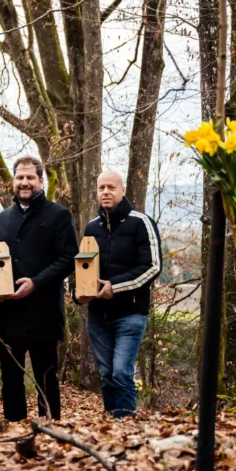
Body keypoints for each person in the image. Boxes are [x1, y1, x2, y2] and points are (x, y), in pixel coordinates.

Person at [0, 156, 77, 422]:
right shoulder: (3, 218)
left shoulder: (59, 215)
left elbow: (68, 258)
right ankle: (15, 432)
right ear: (13, 181)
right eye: (20, 177)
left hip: (43, 315)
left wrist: (35, 283)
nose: (24, 182)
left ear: (41, 181)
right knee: (11, 380)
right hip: (8, 315)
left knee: (45, 379)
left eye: (30, 178)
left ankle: (50, 431)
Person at [78, 170, 161, 418]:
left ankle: (125, 424)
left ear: (122, 190)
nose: (106, 192)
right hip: (98, 316)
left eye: (111, 187)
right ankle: (111, 427)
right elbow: (82, 268)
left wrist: (114, 286)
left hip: (130, 314)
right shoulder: (92, 227)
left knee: (122, 372)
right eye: (101, 188)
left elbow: (152, 267)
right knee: (106, 374)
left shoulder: (141, 222)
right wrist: (78, 293)